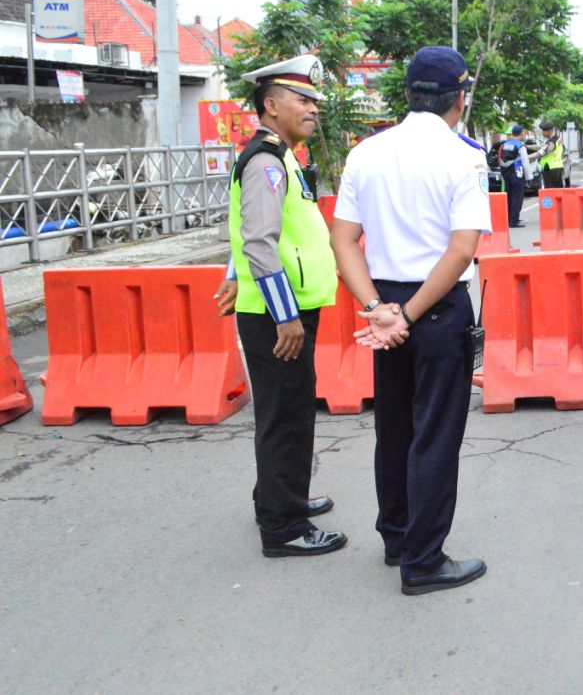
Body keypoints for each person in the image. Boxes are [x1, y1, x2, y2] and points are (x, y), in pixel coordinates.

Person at [329, 45, 492, 596]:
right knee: (436, 434)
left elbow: (343, 240)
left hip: (384, 304)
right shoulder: (464, 156)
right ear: (459, 99)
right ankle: (423, 561)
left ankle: (397, 537)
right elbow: (463, 249)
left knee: (393, 428)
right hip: (437, 307)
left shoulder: (365, 154)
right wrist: (410, 315)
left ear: (407, 95)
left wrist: (379, 310)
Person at [214, 55, 346, 558]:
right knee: (285, 418)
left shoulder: (282, 154)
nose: (313, 108)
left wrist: (232, 276)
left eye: (314, 100)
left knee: (289, 411)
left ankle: (282, 497)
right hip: (278, 315)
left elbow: (248, 229)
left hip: (280, 306)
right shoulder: (268, 160)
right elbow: (260, 242)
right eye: (303, 100)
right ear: (271, 106)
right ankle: (283, 527)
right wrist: (285, 314)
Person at [498, 125, 533, 228]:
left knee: (508, 196)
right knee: (517, 197)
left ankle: (508, 219)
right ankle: (514, 221)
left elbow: (501, 159)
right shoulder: (520, 145)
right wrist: (529, 178)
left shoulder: (505, 144)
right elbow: (525, 162)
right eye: (524, 133)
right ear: (521, 133)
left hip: (506, 173)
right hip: (517, 173)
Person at [537, 120, 566, 189]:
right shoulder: (553, 139)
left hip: (553, 169)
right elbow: (542, 147)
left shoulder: (553, 140)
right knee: (554, 190)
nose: (542, 133)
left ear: (549, 131)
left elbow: (547, 149)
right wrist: (527, 147)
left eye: (543, 131)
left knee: (553, 191)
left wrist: (533, 156)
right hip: (552, 168)